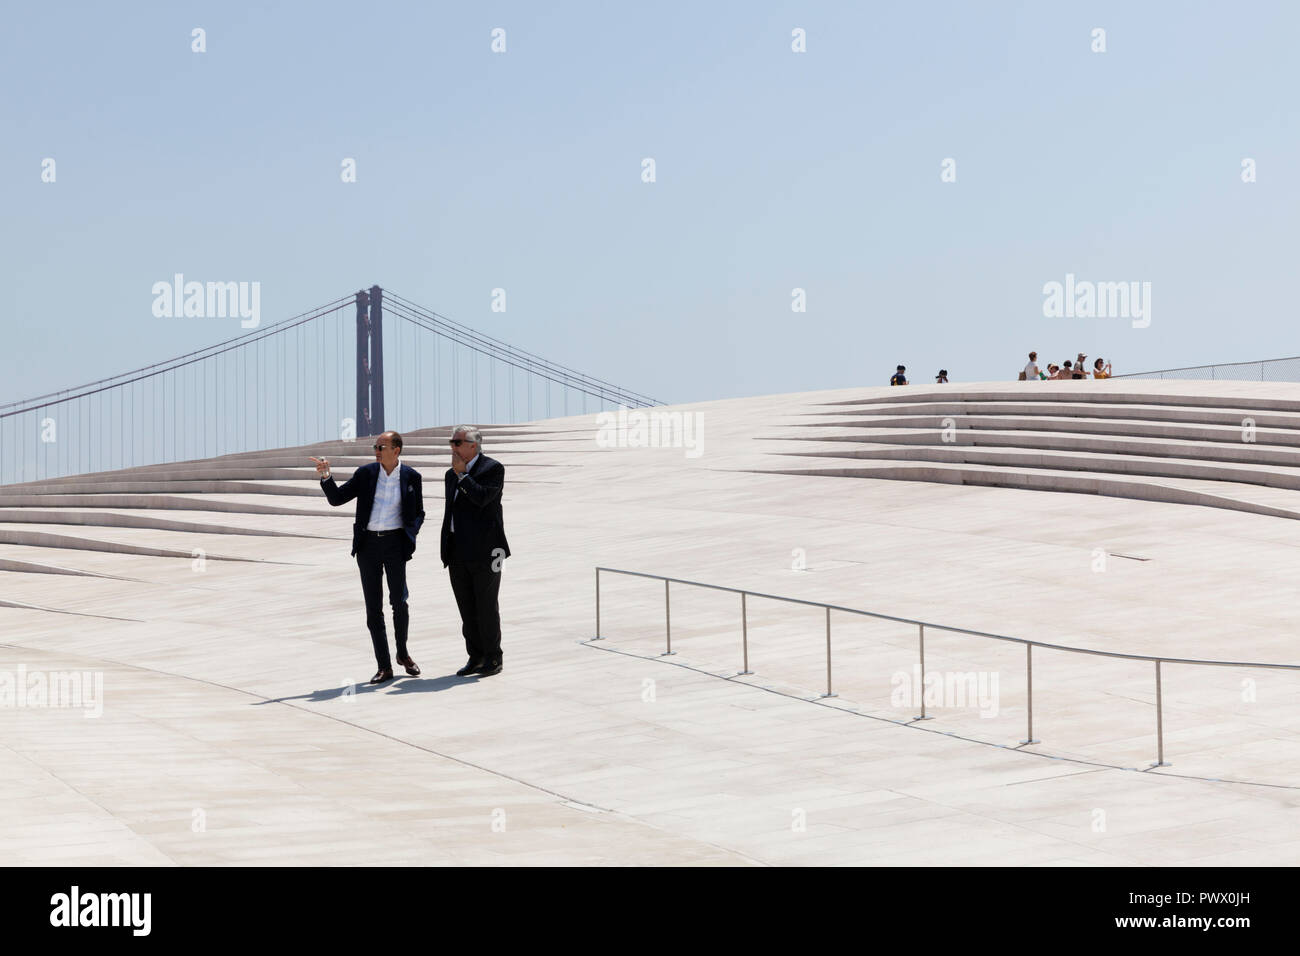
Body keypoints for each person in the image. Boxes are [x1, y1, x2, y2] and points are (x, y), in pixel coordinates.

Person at [311, 432, 425, 684]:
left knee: (399, 601)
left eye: (380, 446)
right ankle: (384, 666)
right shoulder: (366, 473)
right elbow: (336, 499)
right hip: (368, 546)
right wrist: (325, 475)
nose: (375, 449)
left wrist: (410, 535)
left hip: (396, 544)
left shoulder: (411, 477)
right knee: (374, 608)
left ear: (396, 450)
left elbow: (419, 512)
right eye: (375, 446)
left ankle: (403, 654)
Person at [441, 426, 511, 677]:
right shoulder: (451, 475)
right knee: (466, 608)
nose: (453, 447)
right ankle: (476, 656)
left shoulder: (493, 469)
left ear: (473, 445)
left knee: (486, 605)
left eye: (457, 442)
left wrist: (463, 477)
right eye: (452, 442)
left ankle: (493, 657)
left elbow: (482, 499)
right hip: (457, 551)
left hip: (487, 551)